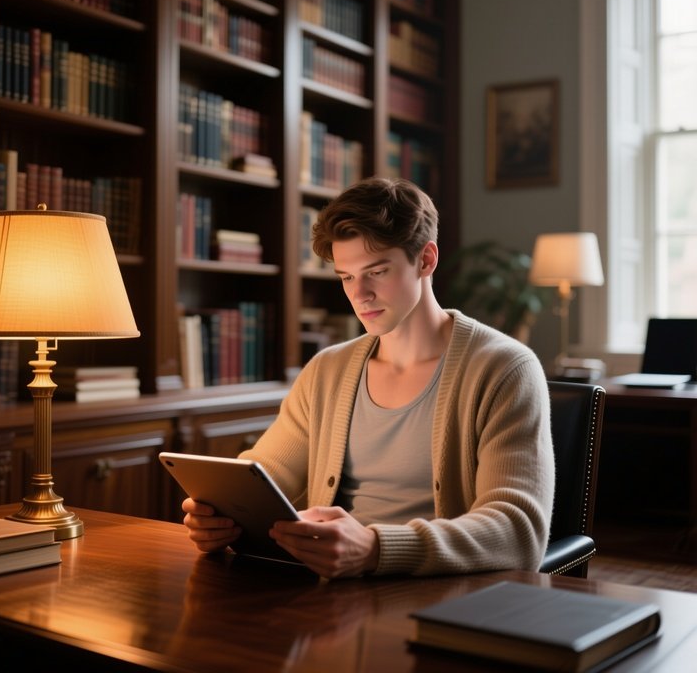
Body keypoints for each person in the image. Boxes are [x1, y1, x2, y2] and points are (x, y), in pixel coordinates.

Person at [182, 177, 554, 579]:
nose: (360, 294)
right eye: (346, 277)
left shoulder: (505, 369)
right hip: (330, 590)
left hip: (443, 597)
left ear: (426, 260)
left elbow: (519, 532)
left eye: (377, 271)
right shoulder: (327, 370)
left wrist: (376, 548)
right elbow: (264, 473)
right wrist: (219, 512)